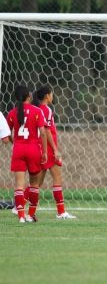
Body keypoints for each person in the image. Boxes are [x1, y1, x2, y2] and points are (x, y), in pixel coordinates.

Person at [32, 86, 76, 219]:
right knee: (57, 178)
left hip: (39, 147)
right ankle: (61, 212)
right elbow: (47, 131)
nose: (53, 97)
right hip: (49, 149)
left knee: (37, 183)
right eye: (52, 94)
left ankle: (19, 205)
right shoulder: (47, 110)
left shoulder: (36, 110)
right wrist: (55, 150)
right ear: (46, 96)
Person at [6, 84, 47, 223]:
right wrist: (45, 152)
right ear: (29, 96)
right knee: (34, 184)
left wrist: (15, 142)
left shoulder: (12, 113)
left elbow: (6, 134)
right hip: (33, 149)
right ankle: (31, 214)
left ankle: (21, 217)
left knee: (19, 185)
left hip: (19, 149)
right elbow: (42, 132)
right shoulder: (37, 111)